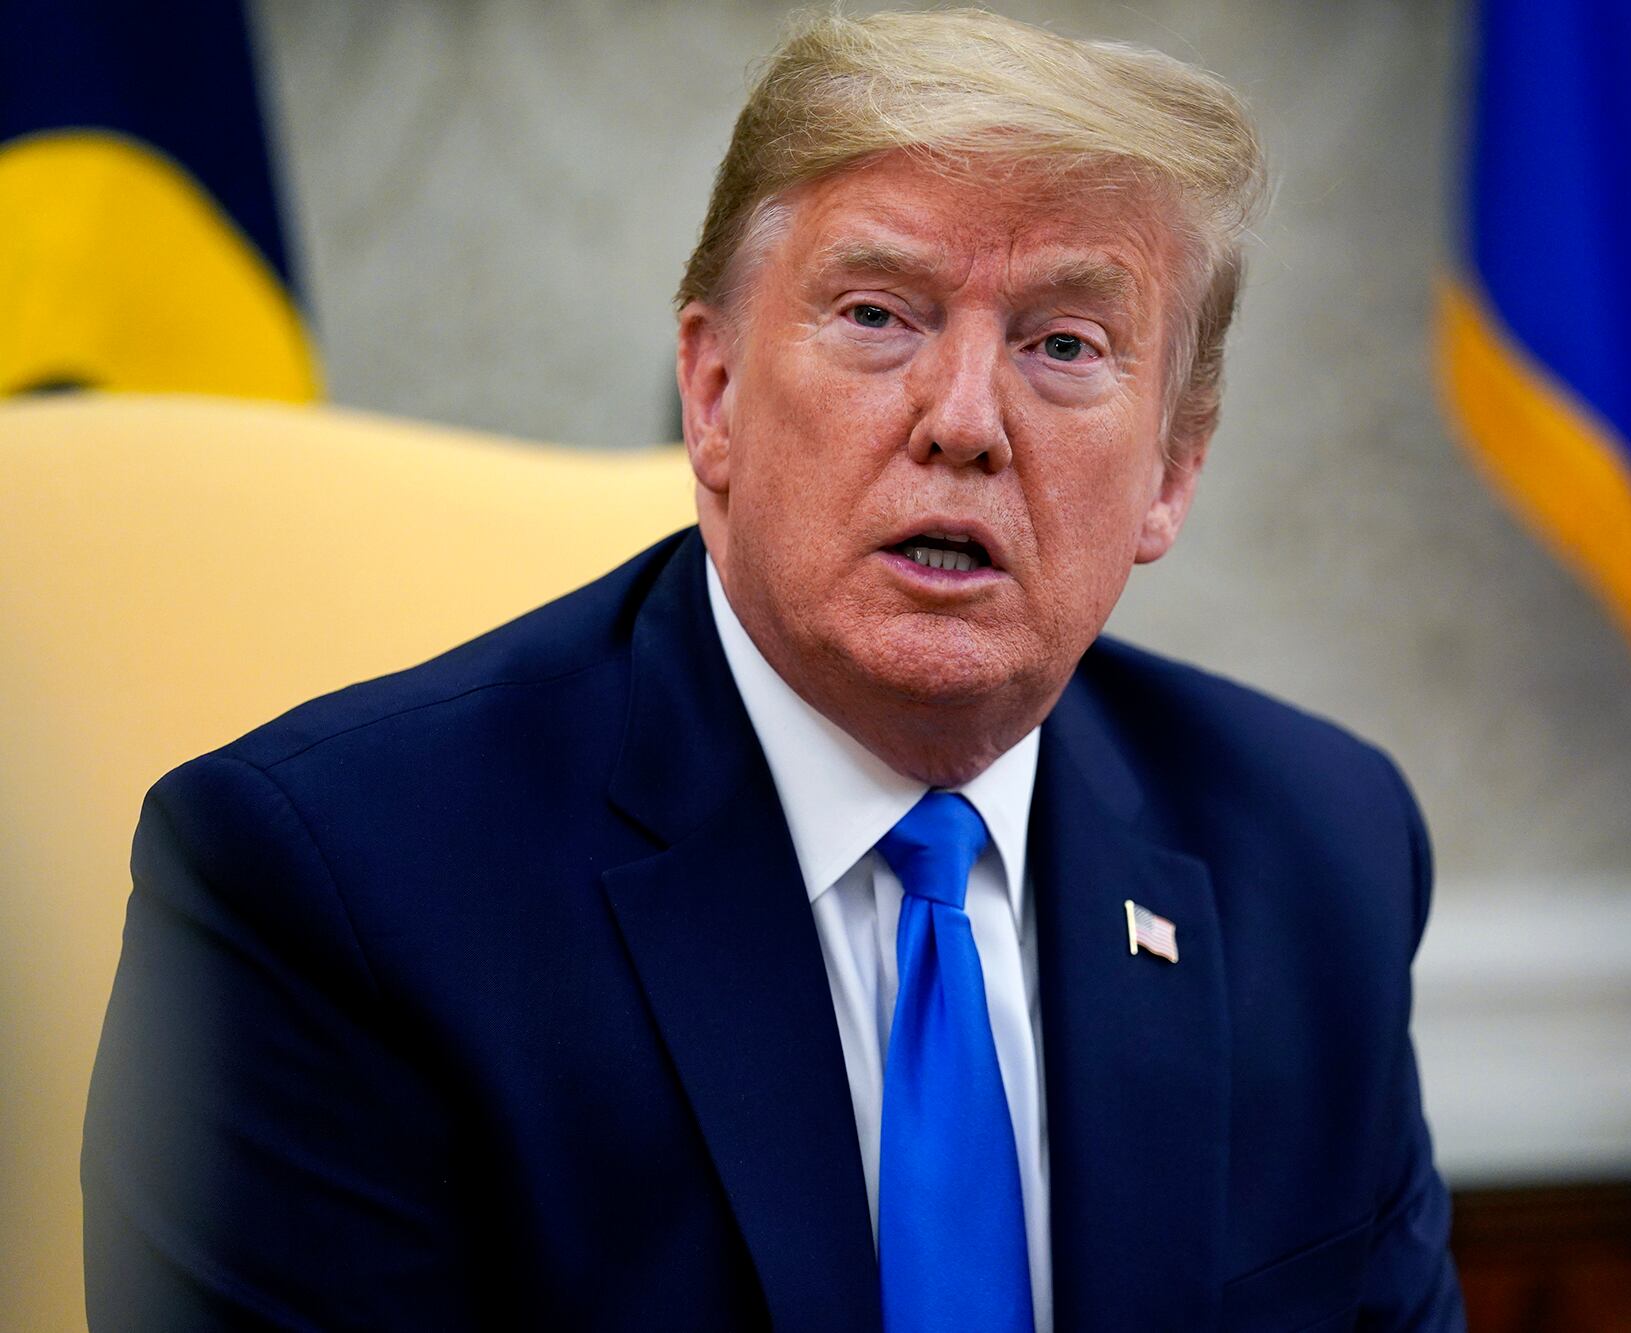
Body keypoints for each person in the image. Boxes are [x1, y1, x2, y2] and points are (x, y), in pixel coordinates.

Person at [83, 10, 1462, 1331]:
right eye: (877, 315)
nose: (964, 421)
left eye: (1064, 345)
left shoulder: (1316, 854)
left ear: (1171, 470)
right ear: (715, 392)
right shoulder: (341, 896)